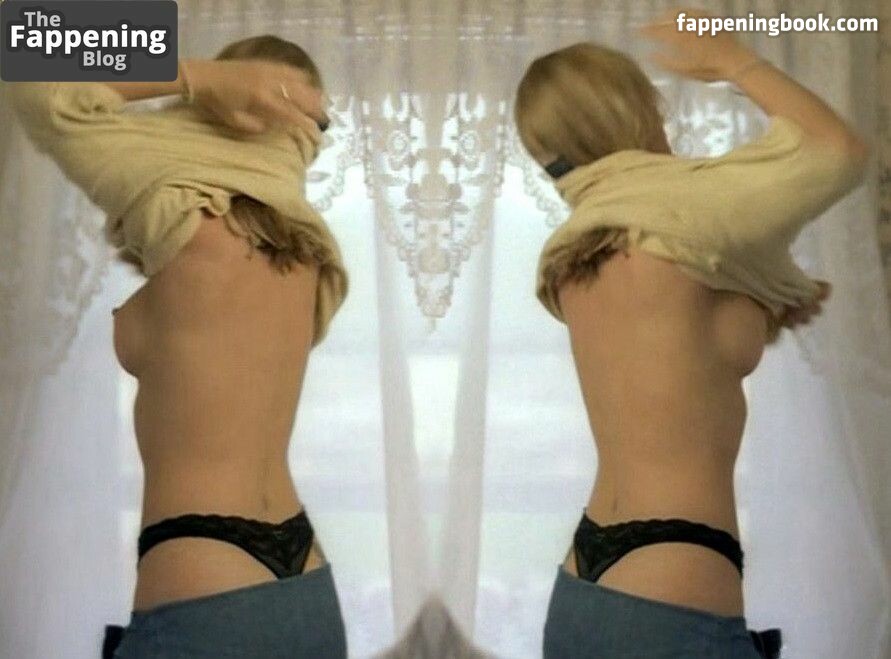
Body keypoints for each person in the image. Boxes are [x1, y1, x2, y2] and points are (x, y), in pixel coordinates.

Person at [513, 8, 868, 659]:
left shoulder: (578, 250)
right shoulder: (687, 208)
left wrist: (770, 300)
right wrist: (732, 60)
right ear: (638, 109)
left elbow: (687, 345)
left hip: (585, 585)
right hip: (673, 577)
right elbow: (838, 152)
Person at [10, 35, 350, 658]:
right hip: (305, 584)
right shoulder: (309, 257)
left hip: (205, 576)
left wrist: (193, 75)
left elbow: (30, 51)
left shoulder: (182, 203)